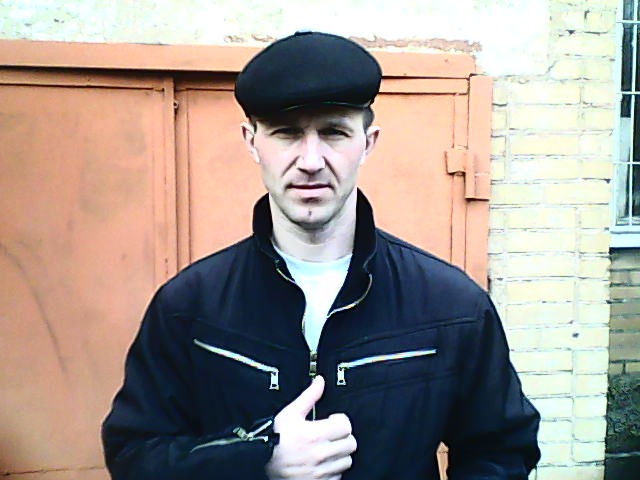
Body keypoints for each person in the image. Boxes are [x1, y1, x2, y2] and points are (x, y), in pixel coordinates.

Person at [102, 31, 540, 480]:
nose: (311, 161)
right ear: (251, 142)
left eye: (333, 132)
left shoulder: (452, 306)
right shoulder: (189, 307)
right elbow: (135, 455)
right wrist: (257, 459)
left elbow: (501, 451)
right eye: (287, 133)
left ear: (368, 142)